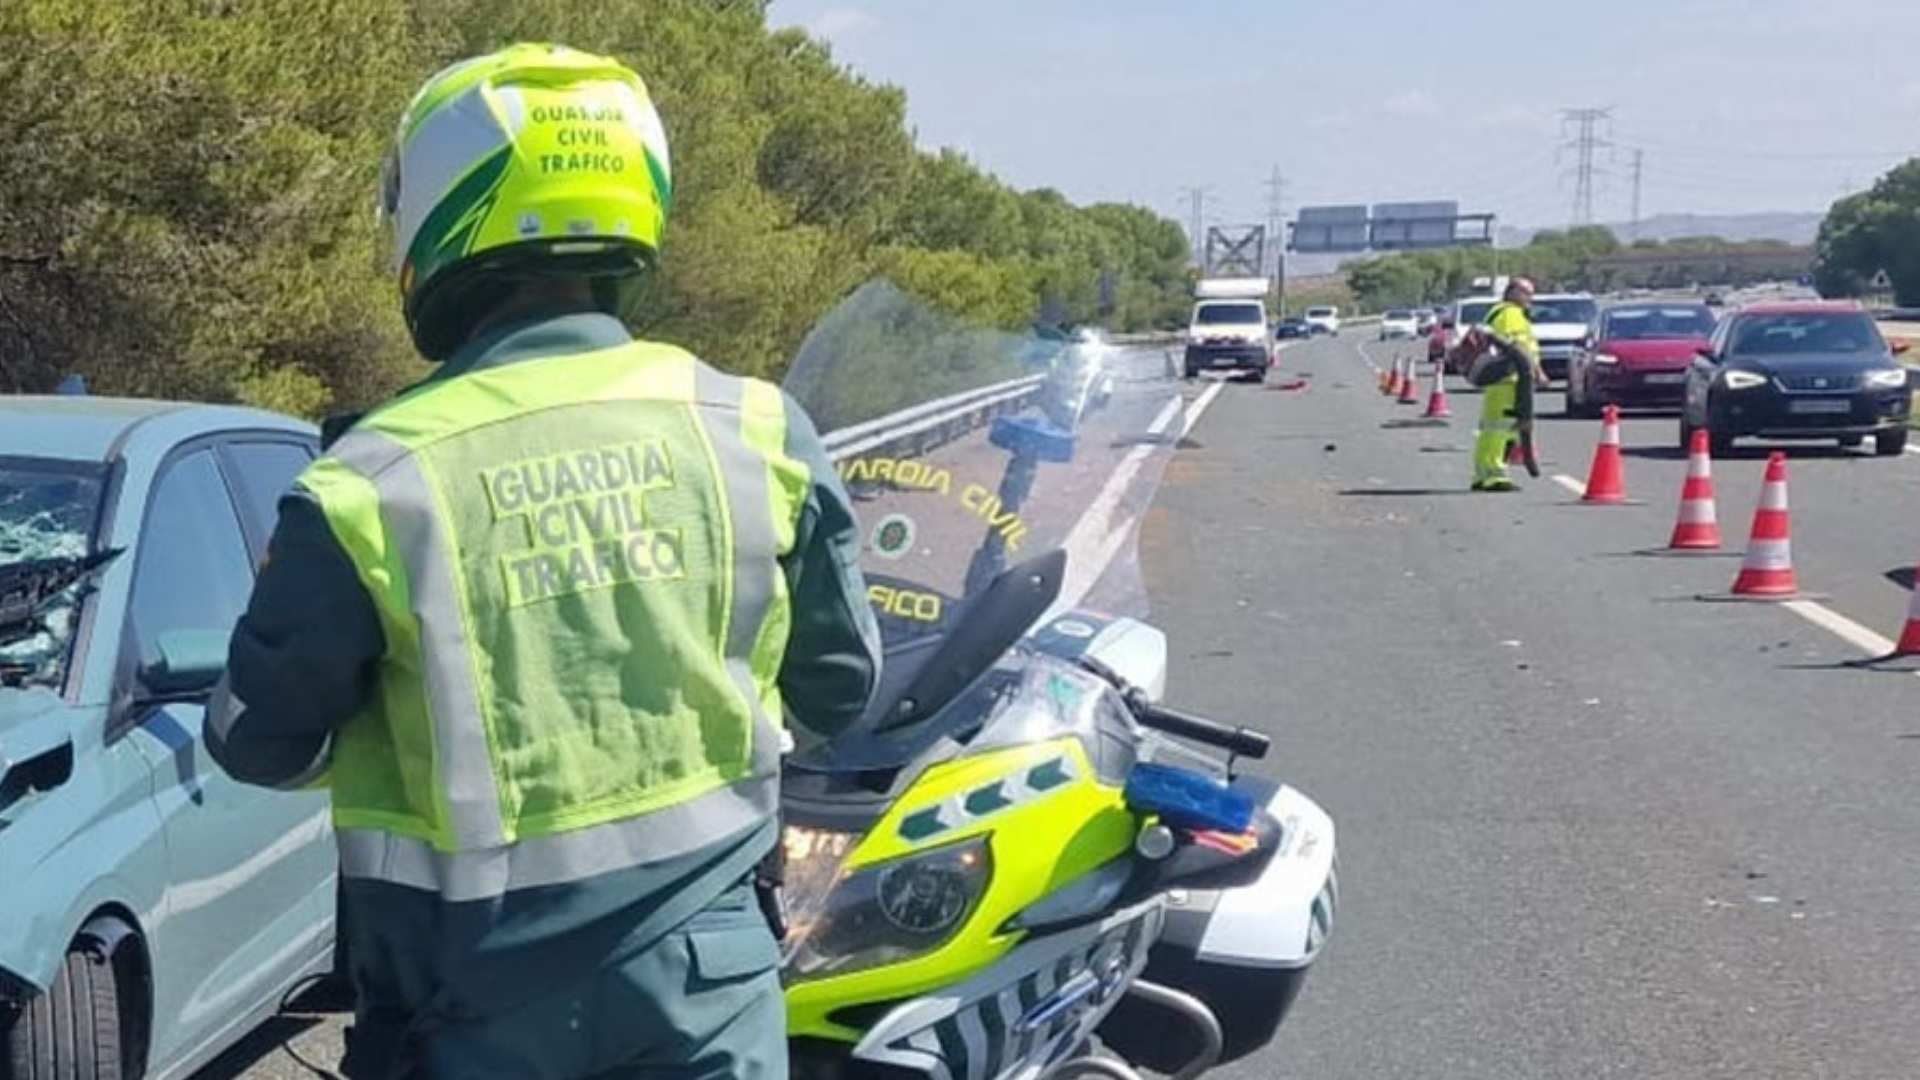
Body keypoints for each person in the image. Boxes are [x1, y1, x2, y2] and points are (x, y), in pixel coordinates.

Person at [205, 44, 881, 1080]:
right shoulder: (755, 429)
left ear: (437, 214)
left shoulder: (370, 481)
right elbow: (839, 689)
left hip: (467, 1008)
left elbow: (260, 744)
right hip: (706, 992)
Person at [1471, 277, 1546, 492]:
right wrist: (1538, 372)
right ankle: (1494, 476)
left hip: (1504, 381)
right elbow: (1518, 348)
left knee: (1493, 428)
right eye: (1526, 293)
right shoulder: (1510, 314)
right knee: (1500, 429)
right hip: (1509, 381)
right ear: (1512, 292)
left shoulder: (1499, 312)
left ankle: (1483, 474)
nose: (1530, 298)